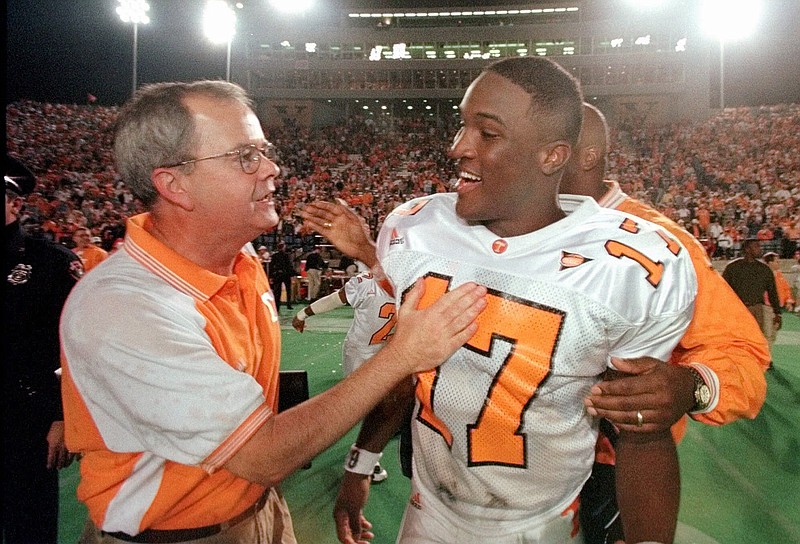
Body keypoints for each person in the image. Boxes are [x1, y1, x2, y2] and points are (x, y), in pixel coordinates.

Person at [59, 80, 487, 544]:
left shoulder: (237, 260)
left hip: (257, 508)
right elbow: (263, 453)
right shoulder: (125, 307)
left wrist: (367, 252)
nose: (273, 169)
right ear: (174, 184)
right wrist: (402, 355)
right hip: (176, 534)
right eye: (245, 156)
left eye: (263, 150)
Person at [303, 57, 697, 544]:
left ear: (552, 156)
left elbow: (642, 428)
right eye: (462, 125)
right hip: (428, 512)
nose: (457, 148)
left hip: (547, 523)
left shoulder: (632, 261)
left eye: (487, 134)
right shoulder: (416, 229)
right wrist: (360, 465)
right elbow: (407, 376)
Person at [559, 103, 771, 544]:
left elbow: (740, 355)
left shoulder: (659, 239)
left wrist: (692, 384)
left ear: (579, 154)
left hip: (614, 462)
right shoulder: (508, 223)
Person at [4, 155, 81, 543]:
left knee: (28, 529)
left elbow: (77, 347)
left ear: (14, 204)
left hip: (26, 421)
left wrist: (63, 416)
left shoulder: (51, 263)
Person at [292, 271, 397, 482]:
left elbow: (334, 300)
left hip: (383, 351)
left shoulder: (372, 282)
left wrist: (303, 314)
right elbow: (335, 299)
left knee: (379, 405)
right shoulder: (408, 282)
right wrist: (303, 313)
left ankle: (367, 454)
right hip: (363, 353)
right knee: (362, 406)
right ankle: (363, 456)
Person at [723, 239, 782, 353]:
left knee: (757, 338)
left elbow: (772, 293)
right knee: (738, 339)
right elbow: (723, 291)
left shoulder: (764, 269)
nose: (760, 249)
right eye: (756, 247)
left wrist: (777, 313)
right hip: (738, 310)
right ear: (747, 249)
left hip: (757, 309)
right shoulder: (732, 268)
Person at [270, 242, 295, 310]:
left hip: (277, 274)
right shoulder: (286, 255)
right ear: (283, 247)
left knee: (277, 291)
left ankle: (277, 306)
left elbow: (271, 266)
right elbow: (289, 266)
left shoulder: (275, 256)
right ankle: (289, 304)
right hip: (286, 274)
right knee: (288, 290)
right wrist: (292, 275)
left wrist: (271, 276)